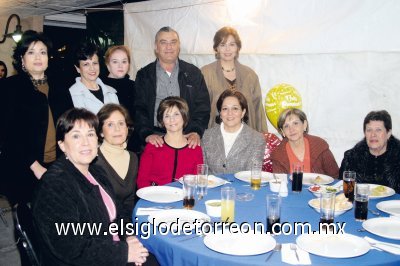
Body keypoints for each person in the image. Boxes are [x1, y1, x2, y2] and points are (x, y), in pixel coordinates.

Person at [32, 108, 149, 266]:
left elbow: (118, 211)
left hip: (113, 250)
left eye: (90, 134)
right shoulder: (55, 185)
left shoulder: (95, 170)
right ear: (62, 145)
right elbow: (70, 246)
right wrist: (124, 253)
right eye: (76, 136)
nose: (85, 142)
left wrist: (129, 236)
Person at [0, 30, 72, 204]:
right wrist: (35, 166)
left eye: (42, 52)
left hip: (58, 165)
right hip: (24, 168)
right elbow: (8, 135)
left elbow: (70, 124)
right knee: (28, 221)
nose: (38, 57)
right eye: (31, 52)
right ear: (22, 59)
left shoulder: (60, 87)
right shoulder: (10, 88)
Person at [134, 26, 210, 152]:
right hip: (155, 138)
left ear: (178, 46)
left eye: (173, 42)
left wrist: (195, 131)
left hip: (186, 138)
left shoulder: (193, 73)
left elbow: (203, 107)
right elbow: (139, 108)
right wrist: (147, 134)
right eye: (163, 42)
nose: (169, 47)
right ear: (156, 47)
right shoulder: (144, 75)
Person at [201, 26, 267, 132]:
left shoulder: (250, 75)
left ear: (238, 48)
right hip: (215, 138)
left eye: (232, 44)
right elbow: (200, 110)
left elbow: (258, 110)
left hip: (247, 138)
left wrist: (263, 136)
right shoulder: (205, 74)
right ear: (216, 48)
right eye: (223, 45)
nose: (227, 49)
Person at [137, 97, 203, 188]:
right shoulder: (152, 146)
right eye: (167, 116)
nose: (172, 120)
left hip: (183, 198)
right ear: (162, 121)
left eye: (176, 114)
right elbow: (142, 181)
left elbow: (198, 181)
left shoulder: (194, 148)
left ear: (184, 117)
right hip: (155, 197)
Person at [202, 90, 265, 174]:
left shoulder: (257, 139)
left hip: (242, 187)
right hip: (212, 186)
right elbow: (203, 171)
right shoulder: (207, 136)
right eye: (225, 109)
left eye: (235, 108)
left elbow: (252, 175)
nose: (229, 113)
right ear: (220, 113)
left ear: (243, 112)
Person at [95, 104, 138, 219]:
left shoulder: (133, 158)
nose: (117, 129)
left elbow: (129, 201)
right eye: (110, 124)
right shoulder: (93, 161)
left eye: (121, 123)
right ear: (101, 132)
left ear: (127, 128)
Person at [339, 110, 400, 193]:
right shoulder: (351, 158)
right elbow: (344, 190)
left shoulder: (397, 157)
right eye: (369, 130)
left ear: (388, 133)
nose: (373, 134)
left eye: (378, 130)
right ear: (365, 133)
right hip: (359, 204)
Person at [270, 108, 339, 178]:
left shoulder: (320, 146)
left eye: (295, 123)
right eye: (286, 126)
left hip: (321, 188)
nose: (291, 129)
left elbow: (335, 177)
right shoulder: (278, 155)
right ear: (282, 132)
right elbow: (279, 184)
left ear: (304, 125)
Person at [102, 45, 138, 152]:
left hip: (132, 141)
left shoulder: (135, 86)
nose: (120, 66)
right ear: (108, 65)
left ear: (129, 64)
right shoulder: (100, 86)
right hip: (107, 141)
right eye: (115, 62)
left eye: (124, 61)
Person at [69, 42, 119, 114]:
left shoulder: (111, 93)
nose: (92, 68)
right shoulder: (72, 95)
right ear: (78, 68)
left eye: (95, 63)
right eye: (86, 64)